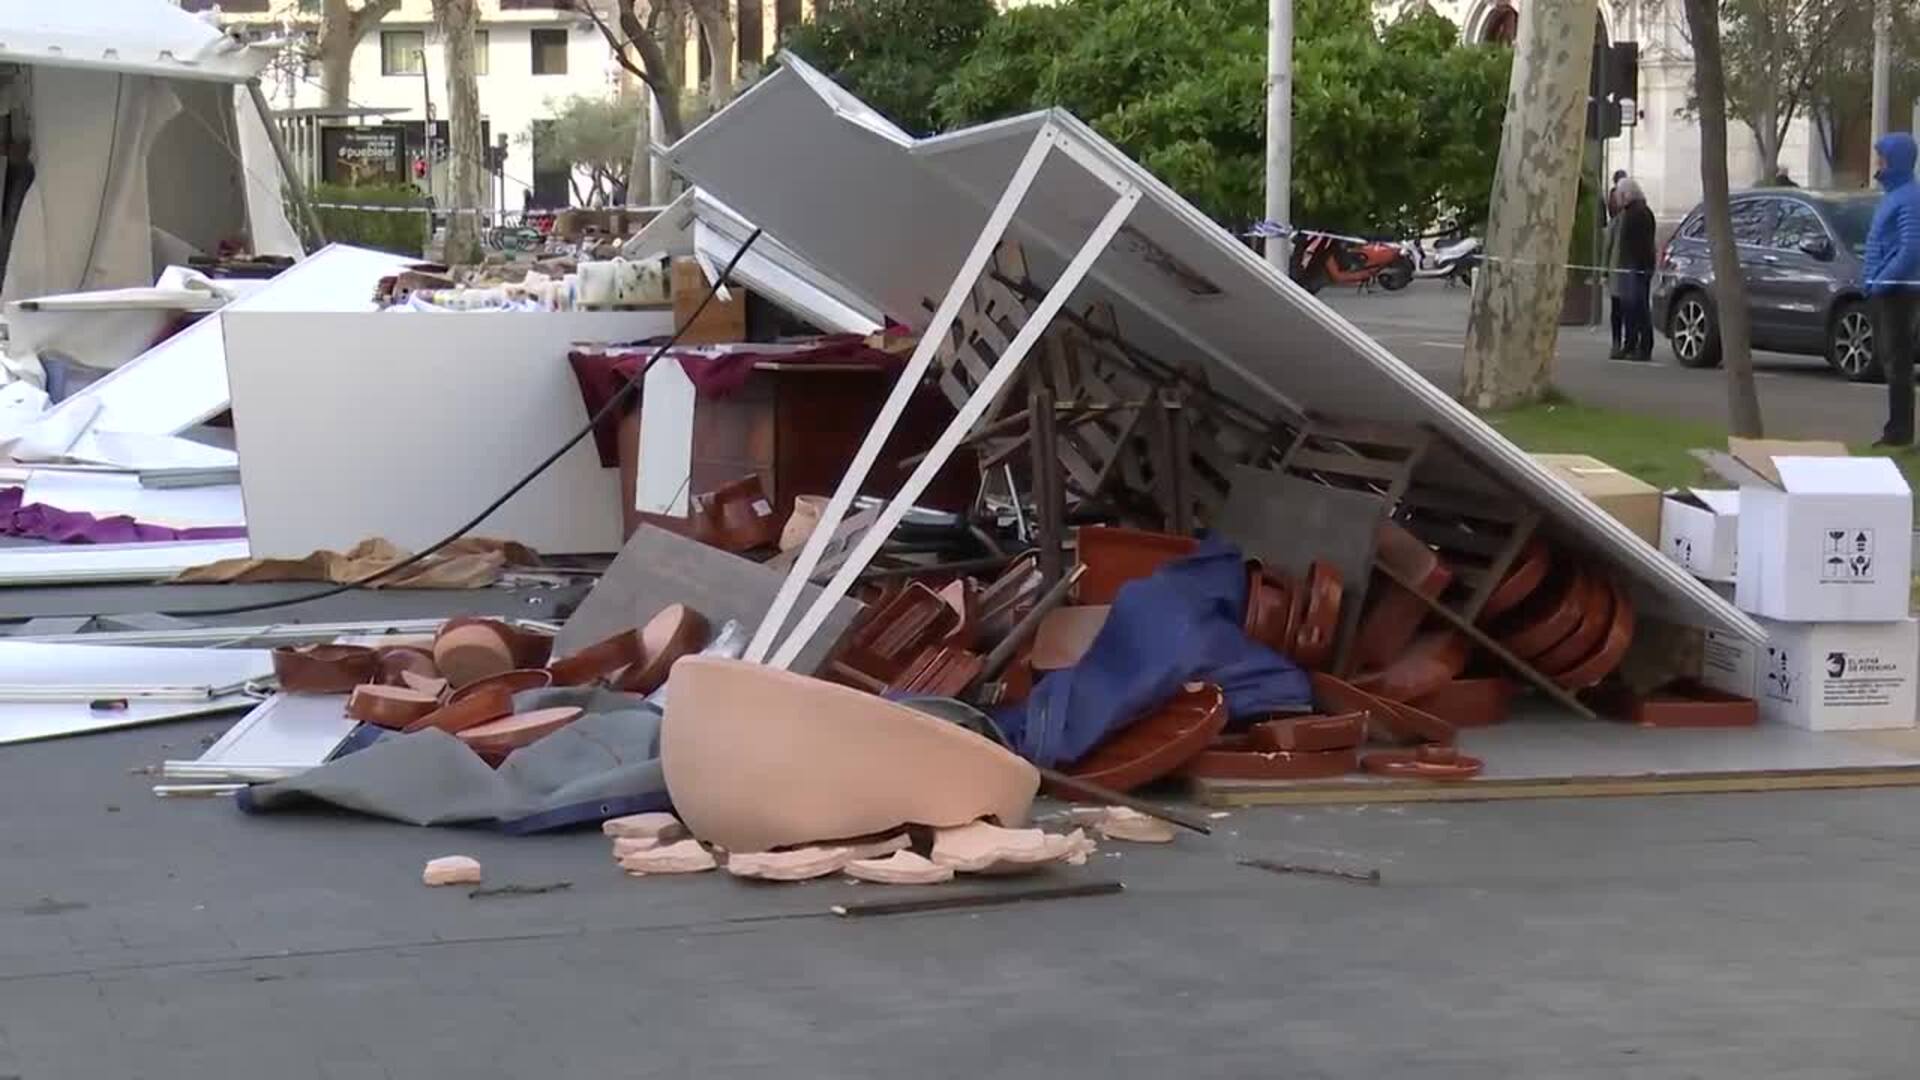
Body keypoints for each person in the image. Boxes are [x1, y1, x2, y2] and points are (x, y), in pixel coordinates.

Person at [1864, 132, 1920, 447]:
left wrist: (1881, 280)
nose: (1878, 163)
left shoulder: (1910, 198)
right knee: (1891, 360)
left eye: (1882, 157)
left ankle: (1899, 434)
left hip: (1900, 290)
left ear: (1896, 160)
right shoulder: (1895, 195)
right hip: (1888, 289)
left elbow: (1912, 248)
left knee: (1898, 363)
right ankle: (1895, 429)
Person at [1615, 177, 1657, 361]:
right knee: (1631, 308)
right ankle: (1631, 344)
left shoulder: (1638, 213)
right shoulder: (1635, 212)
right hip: (1632, 265)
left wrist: (1638, 266)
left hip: (1636, 266)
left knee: (1638, 308)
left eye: (1619, 194)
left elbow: (1640, 244)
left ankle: (1642, 346)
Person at [1605, 170, 1629, 357]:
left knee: (1619, 309)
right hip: (1619, 269)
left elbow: (1607, 247)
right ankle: (1618, 342)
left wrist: (1605, 270)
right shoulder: (1619, 220)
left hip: (1619, 268)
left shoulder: (1620, 221)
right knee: (1619, 309)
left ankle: (1619, 343)